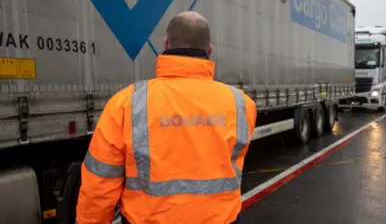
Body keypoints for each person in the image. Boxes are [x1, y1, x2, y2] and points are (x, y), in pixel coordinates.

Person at [76, 11, 257, 224]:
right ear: (209, 51)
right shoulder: (241, 104)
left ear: (165, 44)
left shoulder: (126, 103)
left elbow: (100, 184)